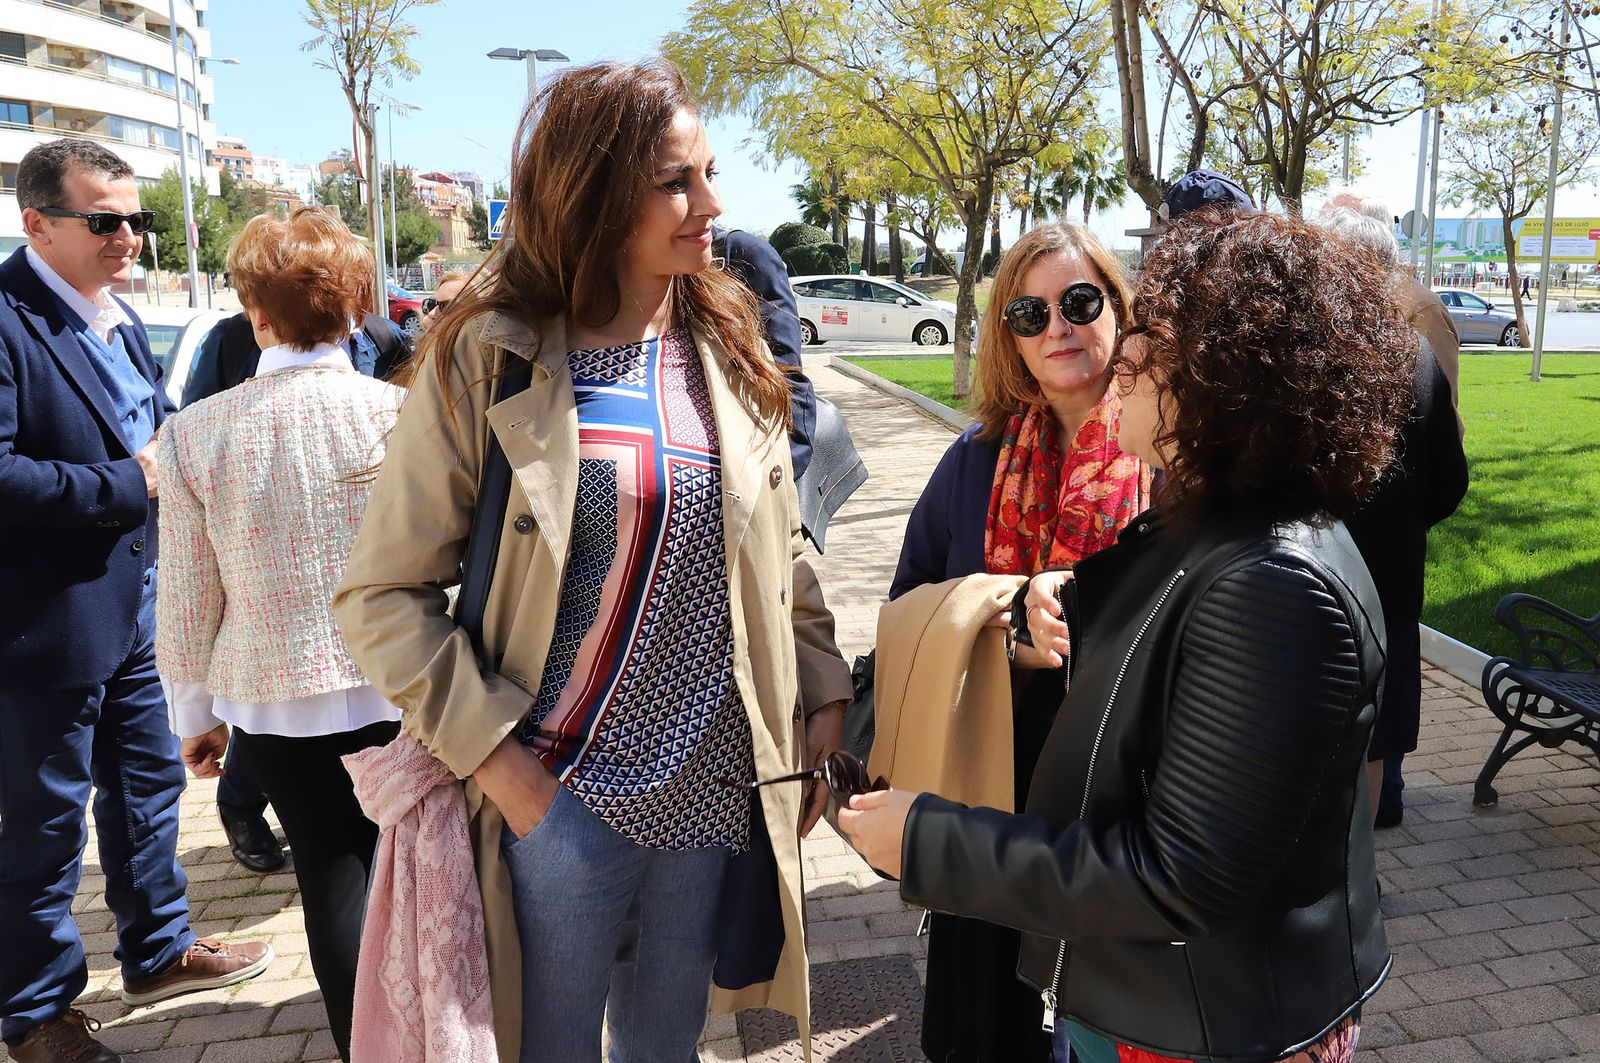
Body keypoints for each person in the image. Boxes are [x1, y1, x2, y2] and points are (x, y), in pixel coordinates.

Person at [332, 59, 851, 1062]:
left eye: (708, 173)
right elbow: (381, 593)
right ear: (594, 195)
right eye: (675, 181)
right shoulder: (496, 351)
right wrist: (508, 770)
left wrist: (822, 685)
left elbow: (777, 540)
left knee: (664, 1043)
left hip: (712, 780)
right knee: (552, 1046)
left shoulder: (725, 340)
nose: (712, 204)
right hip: (562, 793)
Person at [841, 209, 1415, 1063]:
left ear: (1231, 376)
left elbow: (1176, 875)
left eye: (1151, 336)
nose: (1128, 356)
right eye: (1028, 315)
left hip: (1193, 1012)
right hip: (1123, 965)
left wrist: (928, 839)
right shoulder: (1211, 525)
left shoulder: (1267, 579)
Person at [0, 139, 271, 1063]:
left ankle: (157, 949)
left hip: (139, 608)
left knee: (150, 789)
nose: (131, 238)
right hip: (44, 621)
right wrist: (127, 483)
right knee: (40, 822)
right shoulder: (4, 320)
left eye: (138, 218)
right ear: (37, 223)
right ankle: (35, 1014)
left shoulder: (114, 317)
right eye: (105, 220)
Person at [891, 222, 1150, 1063]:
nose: (1058, 329)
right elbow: (907, 609)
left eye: (1079, 302)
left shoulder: (1171, 450)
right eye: (1029, 314)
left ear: (1118, 306)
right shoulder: (975, 460)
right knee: (987, 1029)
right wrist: (1006, 619)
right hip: (990, 776)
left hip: (1116, 802)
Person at [155, 208, 404, 1062]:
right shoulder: (402, 415)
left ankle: (362, 1046)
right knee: (409, 878)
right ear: (353, 306)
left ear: (255, 312)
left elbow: (187, 595)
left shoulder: (194, 432)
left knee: (329, 877)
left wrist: (194, 712)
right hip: (402, 685)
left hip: (270, 690)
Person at [1312, 207, 1470, 828]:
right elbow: (1448, 481)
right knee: (1377, 730)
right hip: (1389, 578)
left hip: (1313, 573)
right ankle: (1359, 867)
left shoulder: (1294, 361)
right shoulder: (1415, 359)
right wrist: (1405, 523)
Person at [1320, 188, 1461, 424]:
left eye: (1339, 220)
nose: (1323, 234)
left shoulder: (1422, 309)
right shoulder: (1328, 303)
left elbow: (1440, 420)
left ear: (1371, 232)